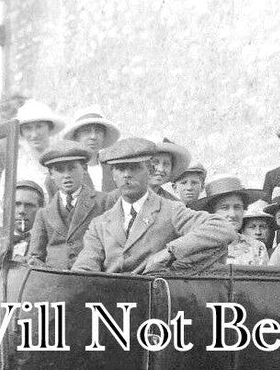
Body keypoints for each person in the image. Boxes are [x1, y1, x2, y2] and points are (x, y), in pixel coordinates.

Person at [71, 138, 236, 273]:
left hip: (153, 300)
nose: (127, 175)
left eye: (134, 167)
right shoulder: (99, 224)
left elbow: (222, 228)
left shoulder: (171, 210)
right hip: (110, 301)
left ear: (149, 170)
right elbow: (85, 267)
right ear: (113, 174)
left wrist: (171, 251)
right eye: (120, 169)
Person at [28, 141, 112, 269]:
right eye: (60, 170)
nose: (67, 175)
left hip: (93, 277)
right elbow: (35, 256)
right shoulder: (44, 213)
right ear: (51, 174)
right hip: (53, 280)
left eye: (72, 168)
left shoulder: (103, 202)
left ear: (84, 169)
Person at [0, 99, 64, 229]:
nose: (34, 134)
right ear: (22, 132)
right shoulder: (14, 170)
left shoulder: (63, 163)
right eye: (28, 128)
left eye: (39, 126)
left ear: (49, 127)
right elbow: (0, 214)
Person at [200, 175, 268, 266]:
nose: (232, 214)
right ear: (212, 213)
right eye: (224, 208)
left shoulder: (257, 248)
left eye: (237, 207)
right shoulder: (199, 248)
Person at [62, 108, 122, 193]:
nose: (93, 136)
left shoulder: (114, 169)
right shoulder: (64, 172)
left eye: (98, 131)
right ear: (76, 137)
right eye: (86, 131)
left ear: (104, 136)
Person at [9, 179, 46, 262]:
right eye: (16, 204)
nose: (22, 211)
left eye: (29, 205)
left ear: (41, 209)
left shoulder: (48, 243)